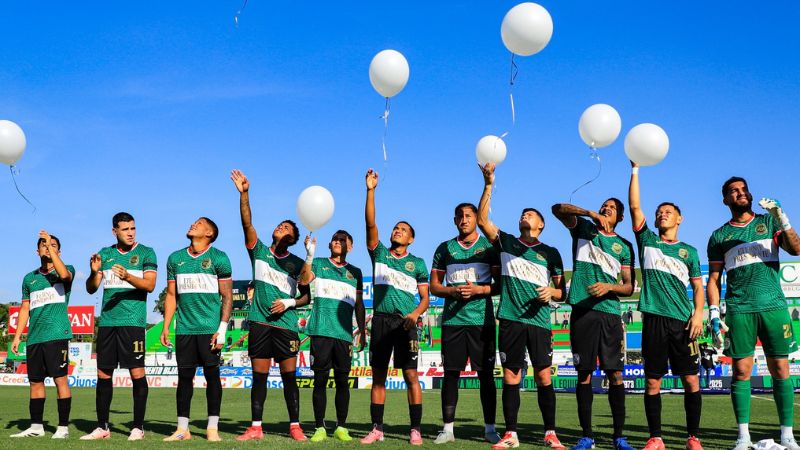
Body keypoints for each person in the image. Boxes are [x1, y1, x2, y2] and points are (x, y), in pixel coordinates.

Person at [477, 163, 567, 450]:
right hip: (511, 319)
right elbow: (482, 221)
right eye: (522, 214)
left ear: (541, 225)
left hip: (540, 322)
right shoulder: (506, 242)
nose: (524, 215)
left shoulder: (551, 253)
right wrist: (488, 184)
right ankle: (511, 434)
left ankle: (550, 433)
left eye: (530, 214)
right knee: (511, 376)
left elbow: (562, 293)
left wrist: (551, 292)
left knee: (543, 375)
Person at [706, 177, 800, 450]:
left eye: (744, 189)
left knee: (780, 368)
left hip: (773, 306)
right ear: (725, 199)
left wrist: (782, 217)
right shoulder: (719, 236)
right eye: (734, 191)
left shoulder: (769, 222)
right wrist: (714, 313)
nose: (741, 193)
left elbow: (796, 249)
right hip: (740, 309)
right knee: (741, 371)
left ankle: (787, 435)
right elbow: (713, 279)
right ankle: (743, 436)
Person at [628, 162, 705, 450]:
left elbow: (698, 287)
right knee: (652, 383)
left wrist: (698, 314)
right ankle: (656, 438)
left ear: (680, 219)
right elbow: (635, 207)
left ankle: (692, 438)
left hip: (683, 323)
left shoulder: (690, 252)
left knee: (691, 381)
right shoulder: (647, 241)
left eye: (668, 212)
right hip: (654, 320)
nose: (662, 215)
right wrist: (635, 170)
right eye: (659, 212)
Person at [230, 169, 309, 442]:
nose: (281, 227)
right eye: (280, 225)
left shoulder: (298, 263)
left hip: (286, 326)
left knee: (289, 377)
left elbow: (307, 296)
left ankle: (295, 426)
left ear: (293, 239)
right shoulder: (259, 251)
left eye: (287, 228)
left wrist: (289, 302)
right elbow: (247, 223)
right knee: (259, 376)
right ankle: (255, 427)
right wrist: (244, 194)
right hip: (260, 323)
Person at [551, 199, 635, 450]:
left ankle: (619, 437)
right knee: (584, 374)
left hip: (609, 314)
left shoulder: (624, 246)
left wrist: (609, 287)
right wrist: (589, 214)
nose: (606, 208)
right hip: (582, 311)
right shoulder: (583, 228)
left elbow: (629, 287)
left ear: (620, 217)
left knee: (615, 374)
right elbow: (557, 209)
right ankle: (587, 436)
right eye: (604, 205)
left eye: (612, 207)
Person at [360, 168, 430, 446]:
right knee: (378, 377)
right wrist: (370, 191)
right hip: (380, 321)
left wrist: (415, 314)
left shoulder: (418, 264)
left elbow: (425, 299)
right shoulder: (379, 254)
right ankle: (377, 428)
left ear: (411, 239)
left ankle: (415, 429)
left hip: (406, 323)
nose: (397, 231)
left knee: (411, 375)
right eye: (395, 228)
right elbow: (370, 224)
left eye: (403, 230)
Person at [82, 212, 157, 441]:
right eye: (125, 229)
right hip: (107, 323)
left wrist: (128, 277)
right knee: (103, 374)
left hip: (132, 324)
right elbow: (91, 289)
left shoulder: (146, 252)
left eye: (133, 228)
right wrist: (94, 272)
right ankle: (102, 427)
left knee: (137, 373)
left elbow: (150, 285)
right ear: (115, 231)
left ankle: (138, 427)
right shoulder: (105, 254)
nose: (130, 233)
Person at [431, 201, 501, 445]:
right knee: (451, 374)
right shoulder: (444, 248)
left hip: (482, 321)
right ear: (454, 220)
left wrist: (479, 290)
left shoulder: (489, 248)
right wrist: (452, 292)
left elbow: (500, 285)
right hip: (453, 321)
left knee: (486, 376)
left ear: (476, 219)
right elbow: (434, 286)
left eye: (469, 215)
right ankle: (447, 430)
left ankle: (490, 429)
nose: (464, 219)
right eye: (459, 216)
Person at [160, 217, 233, 442]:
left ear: (209, 233)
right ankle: (182, 429)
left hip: (210, 330)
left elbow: (227, 296)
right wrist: (166, 326)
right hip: (184, 329)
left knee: (212, 376)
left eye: (199, 223)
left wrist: (222, 329)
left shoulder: (219, 258)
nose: (193, 224)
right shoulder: (175, 258)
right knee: (184, 378)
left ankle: (212, 428)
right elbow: (171, 295)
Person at [298, 230, 366, 443]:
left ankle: (341, 427)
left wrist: (363, 331)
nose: (338, 242)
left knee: (343, 382)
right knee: (320, 381)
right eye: (335, 239)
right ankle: (319, 427)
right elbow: (303, 281)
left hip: (344, 335)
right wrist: (309, 255)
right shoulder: (318, 263)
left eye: (343, 240)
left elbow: (359, 304)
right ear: (329, 245)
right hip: (321, 331)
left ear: (350, 247)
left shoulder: (356, 272)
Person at [11, 232, 74, 439]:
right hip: (35, 338)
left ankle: (62, 428)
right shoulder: (29, 279)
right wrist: (17, 336)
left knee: (60, 380)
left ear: (59, 251)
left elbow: (64, 275)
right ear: (37, 251)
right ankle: (36, 427)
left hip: (57, 335)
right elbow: (24, 308)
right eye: (44, 245)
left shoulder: (66, 271)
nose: (48, 248)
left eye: (53, 245)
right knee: (35, 382)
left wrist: (51, 250)